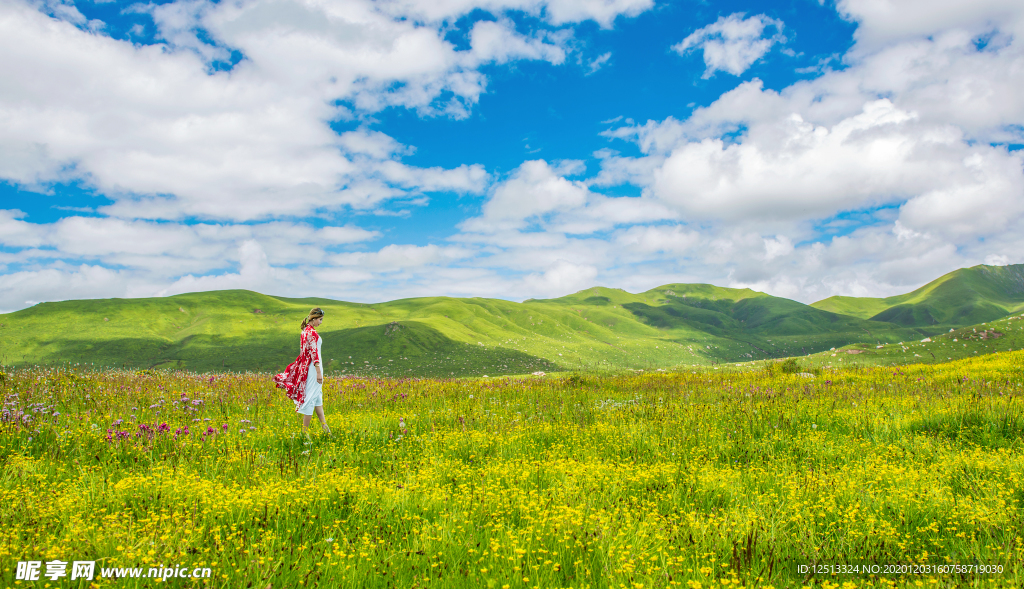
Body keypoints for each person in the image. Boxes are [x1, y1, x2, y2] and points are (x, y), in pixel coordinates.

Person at [273, 307, 331, 436]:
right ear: (314, 318)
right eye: (320, 320)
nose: (321, 322)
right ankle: (304, 433)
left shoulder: (305, 331)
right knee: (310, 399)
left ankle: (326, 429)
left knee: (317, 399)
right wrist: (318, 372)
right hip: (313, 369)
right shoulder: (312, 333)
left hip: (309, 368)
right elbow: (314, 353)